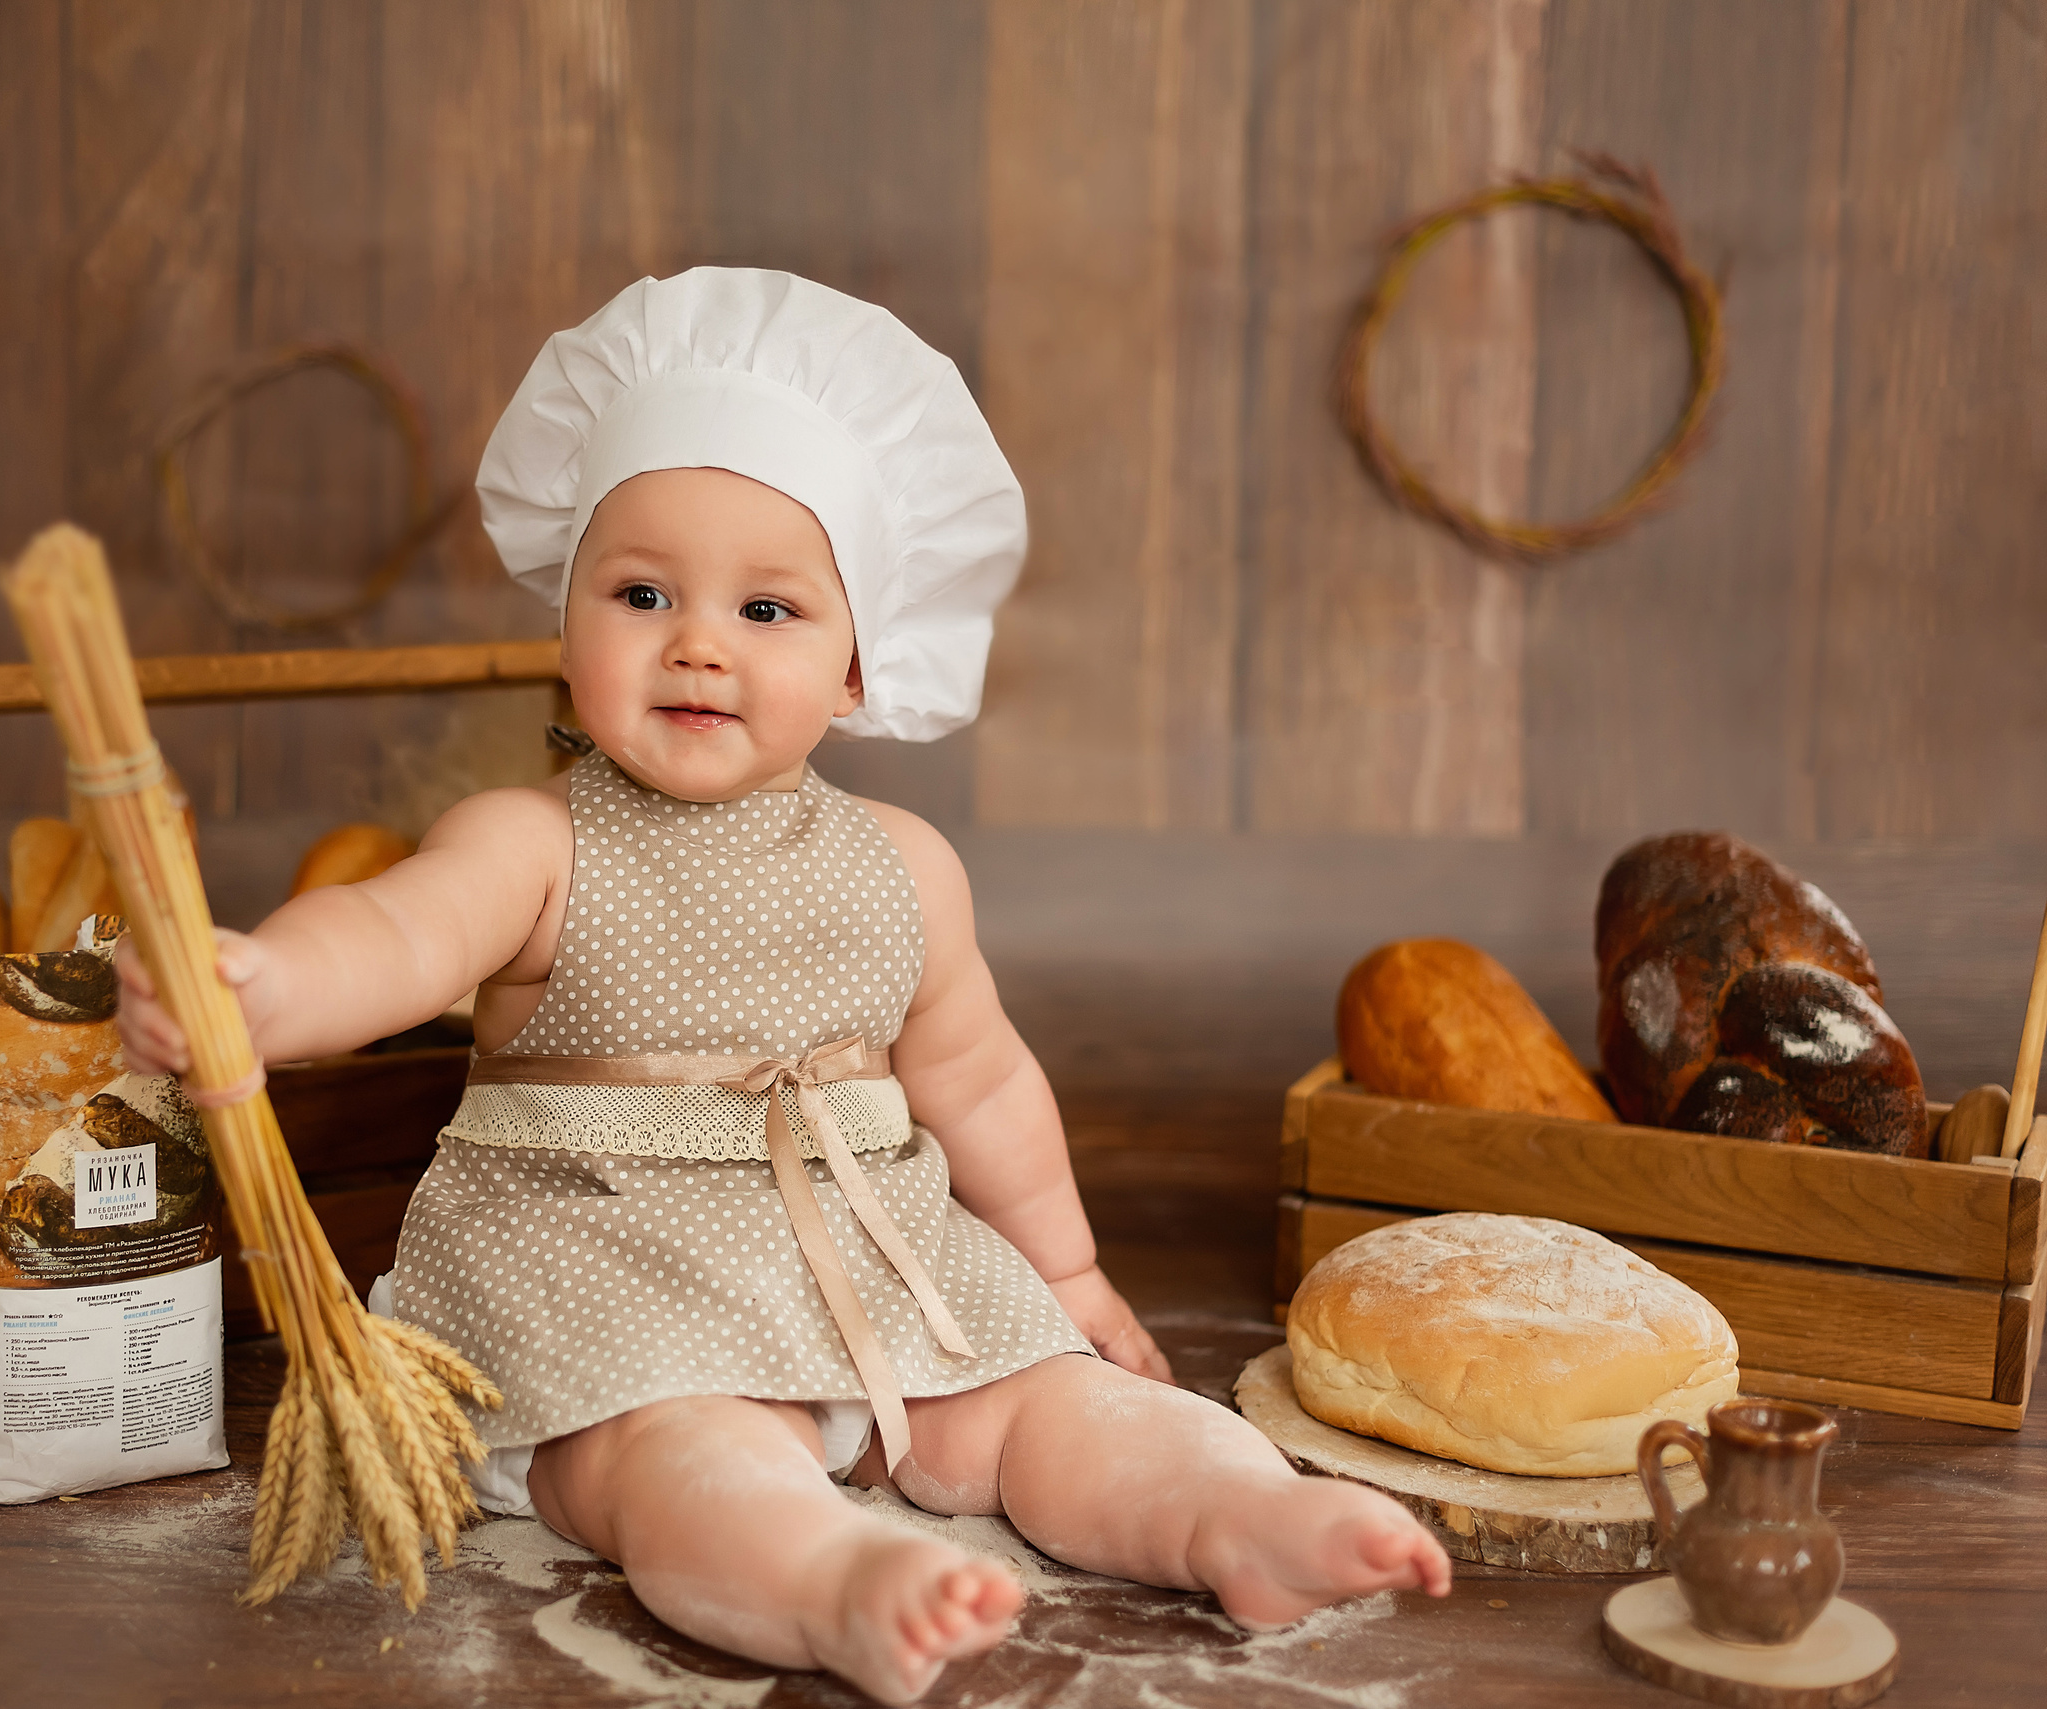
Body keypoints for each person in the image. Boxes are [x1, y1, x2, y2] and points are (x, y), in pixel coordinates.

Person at [118, 269, 1450, 1704]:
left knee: (1060, 1407)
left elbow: (982, 1077)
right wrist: (263, 984)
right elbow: (395, 934)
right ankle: (826, 1582)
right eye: (641, 592)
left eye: (767, 605)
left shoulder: (905, 864)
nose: (698, 641)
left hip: (873, 1256)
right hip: (602, 1272)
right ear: (564, 620)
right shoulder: (532, 841)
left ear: (860, 663)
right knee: (684, 1460)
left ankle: (1233, 1518)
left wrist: (1057, 1273)